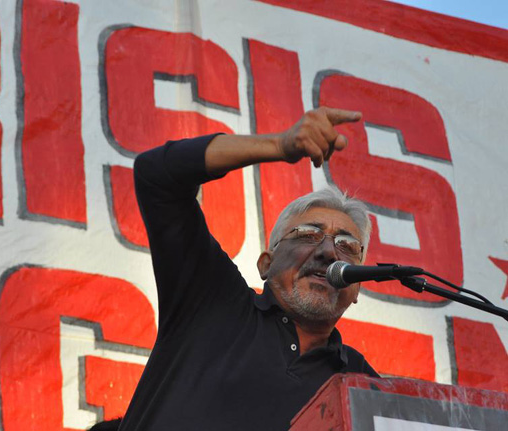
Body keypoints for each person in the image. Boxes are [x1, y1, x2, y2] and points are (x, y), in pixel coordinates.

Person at [119, 108, 379, 431]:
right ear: (266, 263)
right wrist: (279, 146)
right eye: (309, 234)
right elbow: (157, 175)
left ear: (357, 288)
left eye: (346, 245)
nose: (328, 252)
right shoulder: (212, 303)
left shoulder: (361, 384)